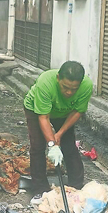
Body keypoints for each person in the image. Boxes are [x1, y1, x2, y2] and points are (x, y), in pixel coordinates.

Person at [23, 61, 93, 198]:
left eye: (74, 89)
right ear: (58, 78)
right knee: (37, 146)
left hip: (65, 113)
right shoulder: (45, 82)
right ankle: (40, 189)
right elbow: (44, 117)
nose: (69, 92)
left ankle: (76, 187)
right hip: (36, 110)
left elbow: (77, 112)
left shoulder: (86, 86)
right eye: (65, 87)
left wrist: (60, 134)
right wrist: (52, 144)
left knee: (69, 146)